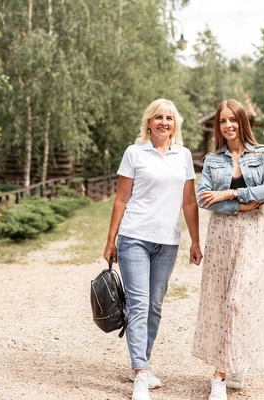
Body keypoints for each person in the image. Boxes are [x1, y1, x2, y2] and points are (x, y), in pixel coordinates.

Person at [103, 99, 203, 400]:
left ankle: (142, 363)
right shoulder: (134, 153)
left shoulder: (184, 156)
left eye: (169, 118)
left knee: (155, 307)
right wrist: (111, 240)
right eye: (158, 117)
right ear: (148, 122)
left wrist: (196, 241)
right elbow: (121, 199)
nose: (164, 122)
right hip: (134, 236)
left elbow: (188, 202)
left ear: (176, 124)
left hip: (168, 241)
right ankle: (140, 374)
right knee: (138, 304)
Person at [192, 99, 264, 400]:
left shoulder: (262, 154)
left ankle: (219, 376)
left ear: (243, 122)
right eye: (222, 121)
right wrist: (243, 204)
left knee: (237, 299)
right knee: (220, 299)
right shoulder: (212, 160)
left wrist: (230, 193)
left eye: (233, 120)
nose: (228, 126)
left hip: (251, 234)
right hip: (220, 234)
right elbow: (204, 198)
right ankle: (232, 362)